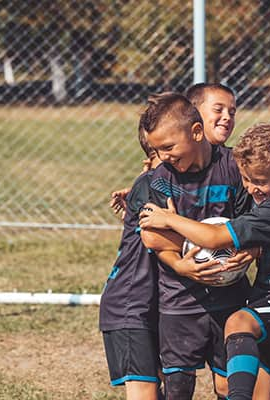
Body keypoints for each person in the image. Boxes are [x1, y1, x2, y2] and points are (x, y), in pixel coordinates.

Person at [140, 122, 270, 400]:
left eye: (259, 181)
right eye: (246, 180)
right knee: (261, 391)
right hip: (267, 298)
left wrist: (169, 219)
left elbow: (214, 238)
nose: (250, 189)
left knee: (237, 323)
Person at [138, 92, 254, 400]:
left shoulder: (233, 168)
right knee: (178, 386)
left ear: (197, 132)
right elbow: (154, 236)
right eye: (157, 150)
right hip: (178, 297)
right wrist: (179, 264)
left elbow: (251, 223)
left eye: (168, 147)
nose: (163, 156)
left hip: (231, 294)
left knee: (228, 384)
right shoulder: (160, 180)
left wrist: (250, 250)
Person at [99, 122, 163, 399]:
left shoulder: (153, 181)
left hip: (156, 304)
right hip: (130, 306)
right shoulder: (151, 183)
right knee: (145, 391)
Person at [110, 83, 238, 216]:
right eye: (218, 109)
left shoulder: (235, 163)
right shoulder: (165, 170)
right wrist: (139, 196)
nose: (227, 117)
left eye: (232, 113)